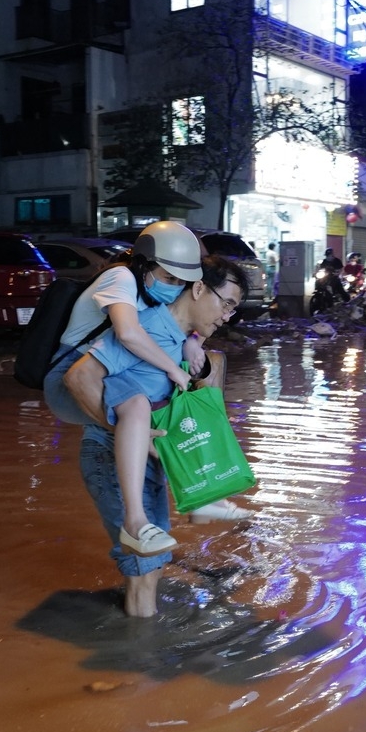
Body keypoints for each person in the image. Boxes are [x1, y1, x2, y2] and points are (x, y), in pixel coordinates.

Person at [43, 222, 247, 560]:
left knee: (178, 413)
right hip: (80, 371)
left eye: (182, 280)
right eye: (171, 278)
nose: (177, 286)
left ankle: (200, 496)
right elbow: (127, 334)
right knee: (137, 411)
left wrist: (193, 341)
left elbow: (186, 319)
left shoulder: (158, 301)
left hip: (116, 368)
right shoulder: (123, 279)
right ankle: (136, 522)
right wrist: (171, 367)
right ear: (149, 264)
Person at [62, 256, 250, 617]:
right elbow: (78, 378)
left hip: (146, 456)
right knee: (143, 566)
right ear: (197, 288)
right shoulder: (145, 328)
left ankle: (200, 497)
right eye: (225, 303)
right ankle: (141, 656)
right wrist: (125, 435)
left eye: (233, 309)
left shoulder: (182, 338)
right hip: (109, 453)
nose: (227, 315)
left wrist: (194, 345)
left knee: (155, 560)